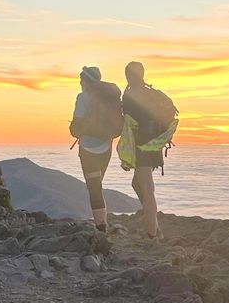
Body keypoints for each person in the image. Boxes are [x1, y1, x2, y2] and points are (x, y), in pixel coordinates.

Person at [121, 61, 178, 240]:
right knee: (138, 185)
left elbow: (127, 119)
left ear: (129, 75)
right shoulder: (151, 93)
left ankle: (152, 233)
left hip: (141, 145)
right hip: (153, 144)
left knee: (146, 188)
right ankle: (154, 225)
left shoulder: (131, 95)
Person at [70, 66, 116, 232]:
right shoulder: (110, 97)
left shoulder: (83, 97)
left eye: (81, 80)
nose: (80, 84)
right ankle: (102, 221)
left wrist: (75, 130)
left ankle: (100, 227)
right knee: (98, 185)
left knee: (94, 188)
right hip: (107, 146)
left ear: (86, 81)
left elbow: (77, 122)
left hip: (89, 148)